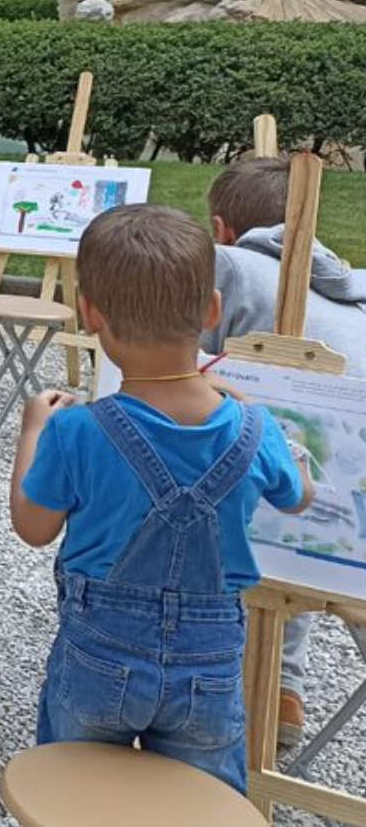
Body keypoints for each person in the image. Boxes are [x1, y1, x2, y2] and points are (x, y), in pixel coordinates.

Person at [10, 204, 313, 792]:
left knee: (73, 793)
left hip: (98, 655)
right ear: (211, 312)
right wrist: (272, 432)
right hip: (210, 667)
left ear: (91, 315)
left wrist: (31, 432)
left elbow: (33, 525)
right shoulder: (253, 428)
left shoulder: (77, 431)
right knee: (201, 800)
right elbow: (299, 497)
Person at [202, 157, 366, 746]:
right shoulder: (353, 295)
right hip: (350, 526)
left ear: (221, 229)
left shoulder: (228, 269)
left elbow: (174, 373)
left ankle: (241, 691)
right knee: (294, 539)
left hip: (283, 504)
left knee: (247, 514)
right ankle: (282, 691)